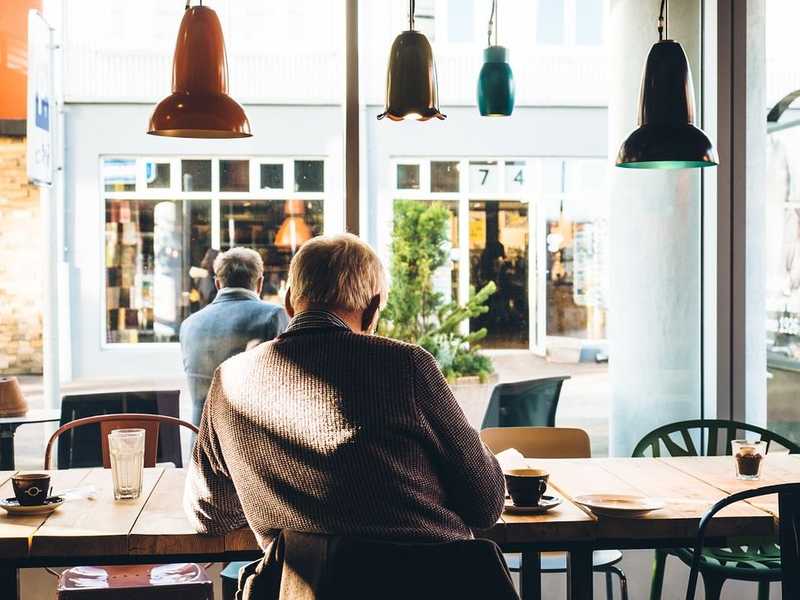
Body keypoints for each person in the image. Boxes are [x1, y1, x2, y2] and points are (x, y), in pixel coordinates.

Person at [184, 233, 505, 550]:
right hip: (432, 582)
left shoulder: (229, 381)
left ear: (289, 301)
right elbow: (486, 503)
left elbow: (209, 515)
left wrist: (277, 495)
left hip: (304, 588)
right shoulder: (406, 365)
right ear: (373, 308)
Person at [179, 247, 288, 427]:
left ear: (217, 284)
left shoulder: (189, 324)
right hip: (250, 443)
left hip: (201, 444)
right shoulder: (273, 316)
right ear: (260, 283)